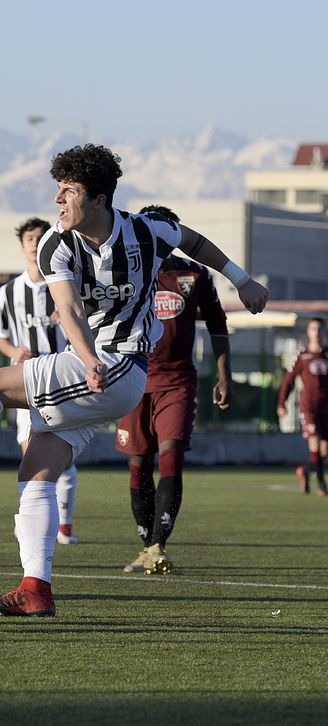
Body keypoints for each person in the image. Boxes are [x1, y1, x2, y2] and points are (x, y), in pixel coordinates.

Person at [0, 144, 269, 617]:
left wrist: (242, 279)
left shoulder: (148, 230)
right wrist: (87, 357)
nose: (57, 201)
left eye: (68, 191)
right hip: (101, 369)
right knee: (37, 472)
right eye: (57, 190)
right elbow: (65, 307)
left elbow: (195, 242)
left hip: (121, 367)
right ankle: (35, 588)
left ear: (100, 199)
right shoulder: (56, 244)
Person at [116, 205, 232, 574]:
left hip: (178, 382)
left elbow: (217, 325)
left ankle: (158, 546)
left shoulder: (195, 275)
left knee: (171, 457)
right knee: (138, 464)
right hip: (131, 376)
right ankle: (145, 547)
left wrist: (224, 375)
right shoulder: (124, 271)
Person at [0, 217, 80, 545]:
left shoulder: (65, 285)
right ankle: (30, 524)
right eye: (29, 238)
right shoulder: (9, 292)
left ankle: (64, 526)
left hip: (61, 381)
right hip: (26, 384)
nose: (34, 243)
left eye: (40, 237)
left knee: (62, 462)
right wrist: (15, 351)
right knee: (31, 456)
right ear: (22, 245)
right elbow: (2, 338)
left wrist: (70, 317)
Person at [277, 317, 328, 496]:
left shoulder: (326, 354)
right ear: (309, 332)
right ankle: (322, 485)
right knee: (314, 442)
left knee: (324, 449)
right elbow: (288, 381)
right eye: (314, 329)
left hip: (326, 408)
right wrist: (281, 403)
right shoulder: (302, 356)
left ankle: (305, 471)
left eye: (320, 329)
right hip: (309, 407)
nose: (317, 333)